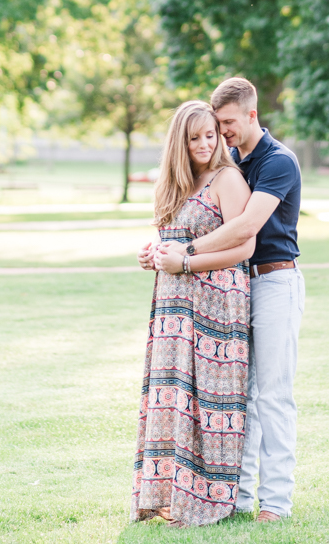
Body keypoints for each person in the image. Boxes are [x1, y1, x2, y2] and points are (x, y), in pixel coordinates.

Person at [156, 77, 303, 524]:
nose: (221, 133)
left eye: (227, 123)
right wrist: (164, 248)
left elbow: (245, 230)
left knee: (273, 395)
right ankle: (237, 499)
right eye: (216, 125)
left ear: (252, 114)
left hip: (275, 282)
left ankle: (275, 503)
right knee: (240, 396)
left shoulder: (279, 162)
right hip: (234, 289)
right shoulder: (230, 161)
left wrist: (187, 253)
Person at [132, 100, 255, 528]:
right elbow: (171, 237)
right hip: (173, 306)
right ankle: (166, 497)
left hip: (217, 303)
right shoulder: (174, 184)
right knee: (173, 397)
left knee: (209, 403)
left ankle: (208, 500)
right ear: (179, 142)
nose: (204, 144)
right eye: (194, 137)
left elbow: (244, 248)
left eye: (210, 134)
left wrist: (183, 262)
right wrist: (153, 253)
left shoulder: (228, 179)